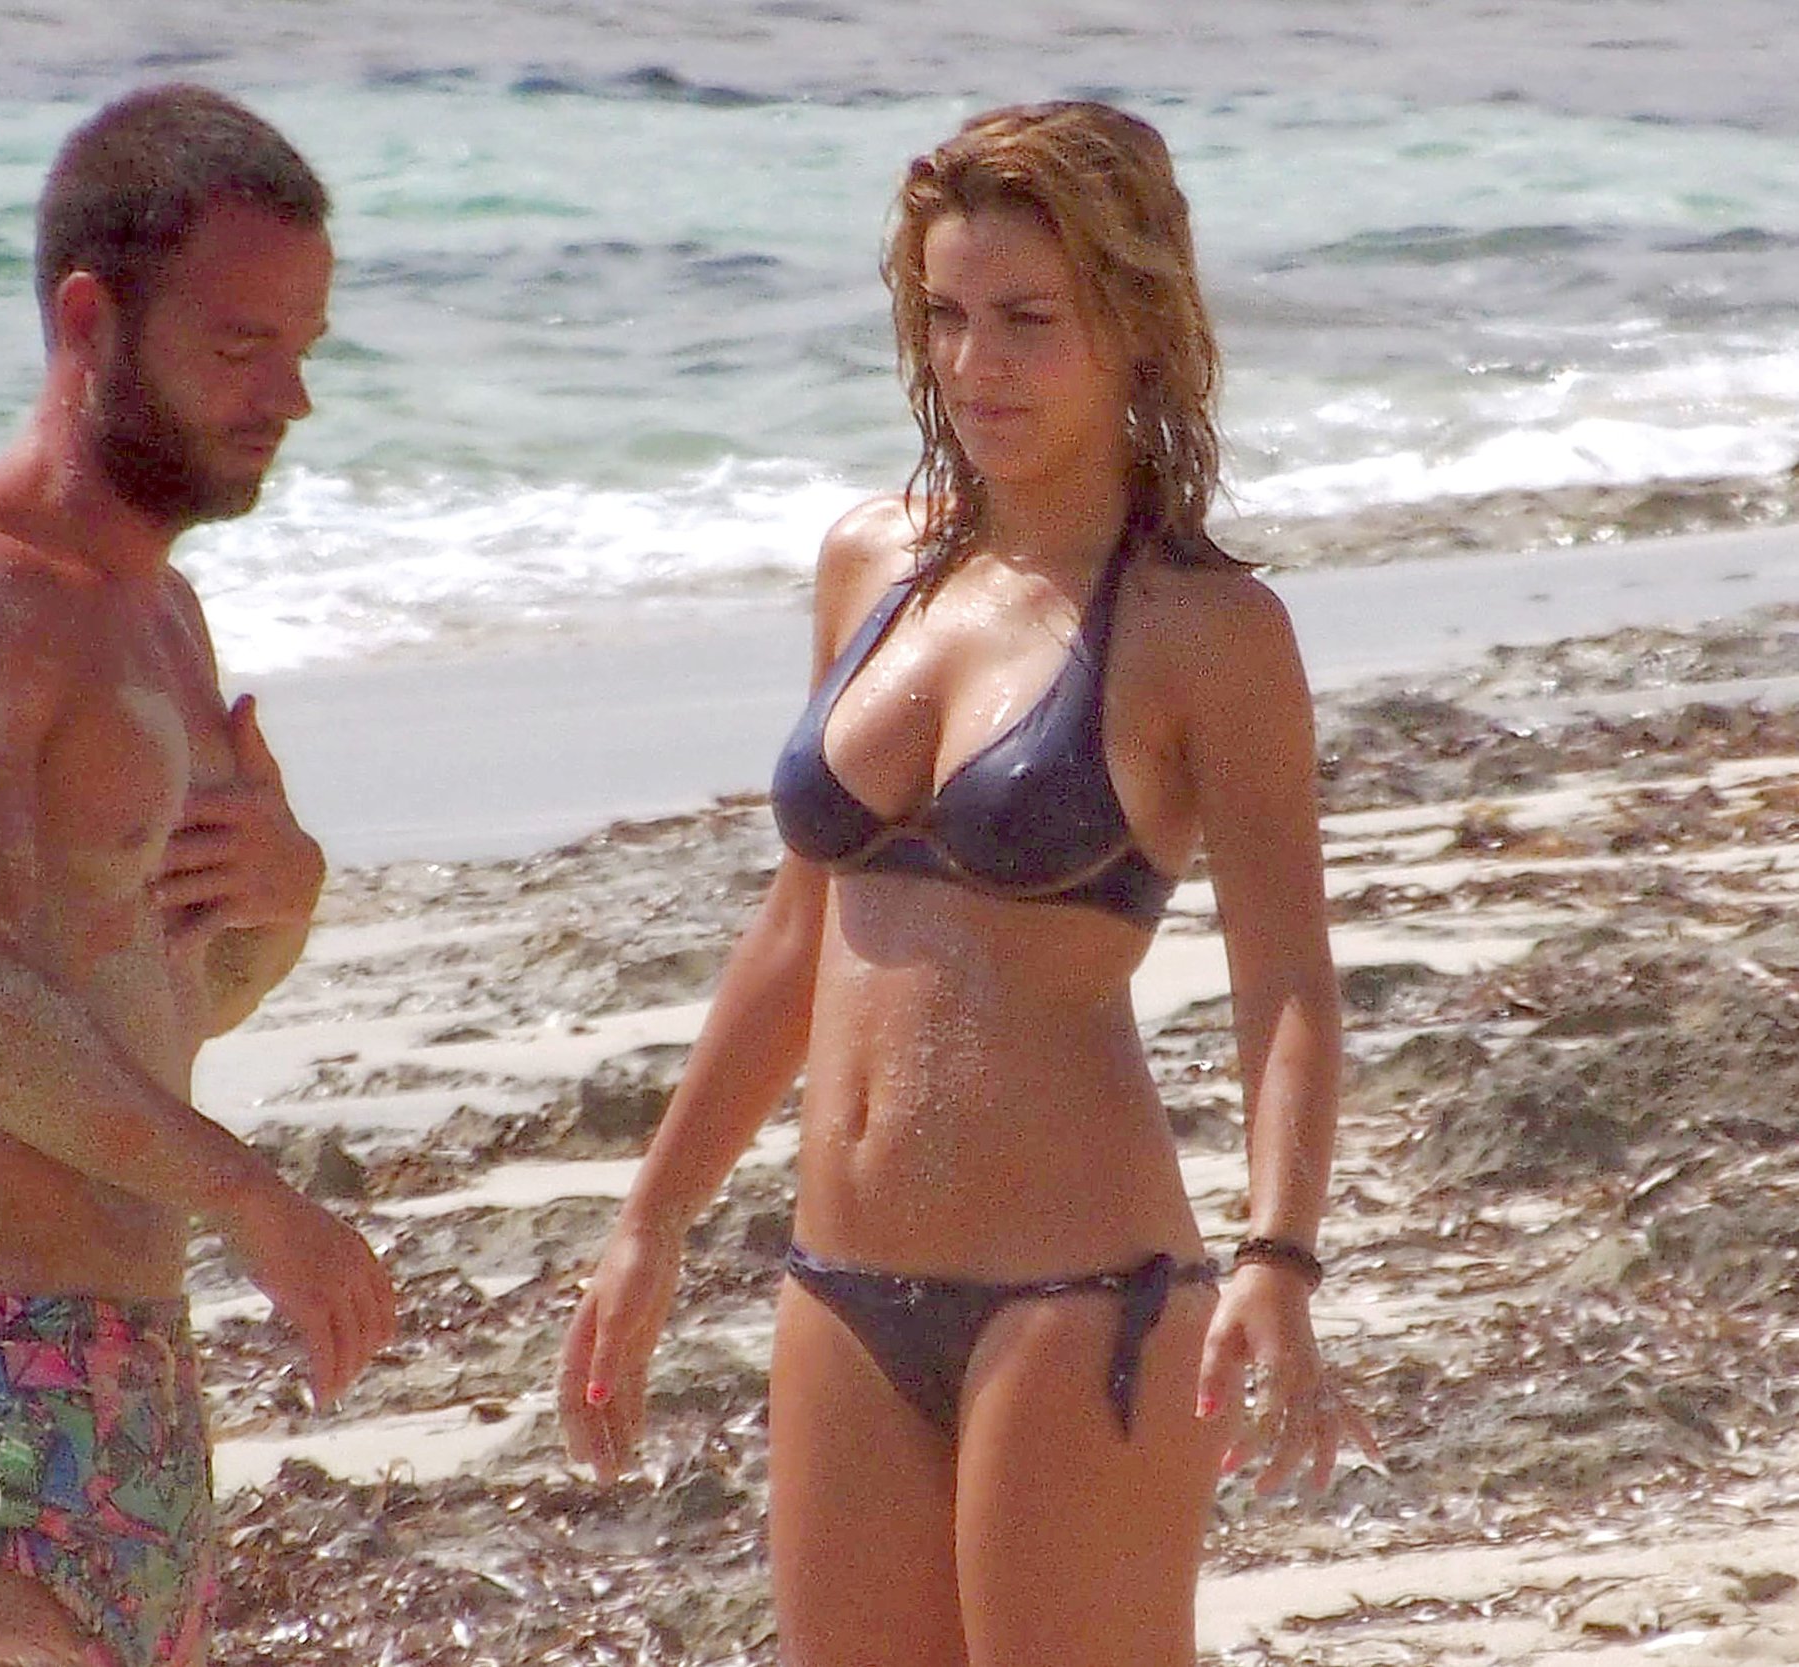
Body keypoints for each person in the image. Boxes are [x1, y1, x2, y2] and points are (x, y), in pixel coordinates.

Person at [558, 100, 1377, 1667]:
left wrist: (1278, 1256)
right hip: (839, 1291)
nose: (975, 363)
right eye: (945, 316)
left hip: (1081, 1301)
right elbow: (797, 935)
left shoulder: (1207, 632)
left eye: (1027, 321)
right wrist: (653, 1217)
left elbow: (1284, 984)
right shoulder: (870, 563)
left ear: (1135, 327)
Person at [0, 84, 396, 1667]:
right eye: (241, 346)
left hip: (140, 1370)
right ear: (89, 321)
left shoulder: (161, 616)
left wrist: (284, 893)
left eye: (305, 349)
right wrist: (252, 1196)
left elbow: (163, 996)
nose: (288, 397)